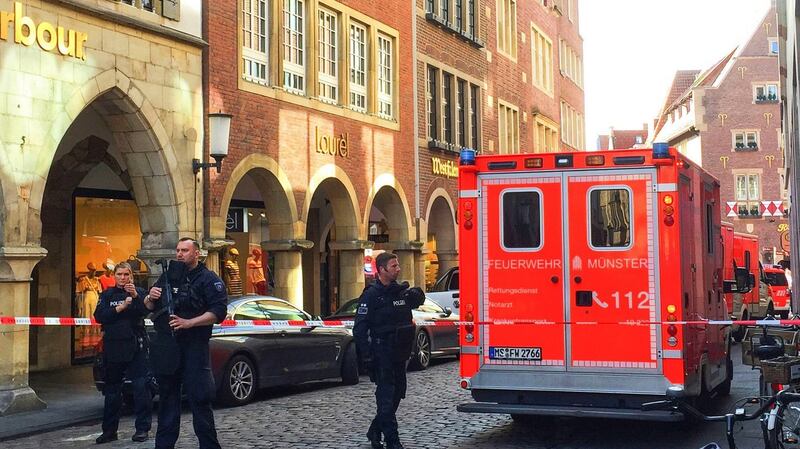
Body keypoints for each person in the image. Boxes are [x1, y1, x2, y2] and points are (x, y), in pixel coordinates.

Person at [143, 238, 227, 449]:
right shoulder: (168, 276)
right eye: (178, 250)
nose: (179, 254)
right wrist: (150, 297)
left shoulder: (208, 279)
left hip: (194, 347)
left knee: (200, 400)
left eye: (185, 250)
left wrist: (190, 323)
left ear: (196, 253)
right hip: (169, 347)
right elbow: (149, 306)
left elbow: (218, 312)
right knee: (168, 402)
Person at [353, 252, 425, 449]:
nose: (398, 269)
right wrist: (367, 356)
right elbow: (359, 328)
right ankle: (393, 441)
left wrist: (417, 295)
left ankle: (375, 430)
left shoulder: (399, 292)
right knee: (386, 397)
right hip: (381, 351)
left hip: (399, 352)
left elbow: (416, 301)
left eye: (397, 265)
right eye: (394, 266)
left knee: (398, 393)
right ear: (382, 270)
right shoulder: (371, 295)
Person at [93, 262, 152, 444]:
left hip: (135, 345)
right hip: (114, 347)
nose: (123, 277)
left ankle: (142, 429)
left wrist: (134, 296)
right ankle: (109, 431)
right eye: (119, 274)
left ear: (131, 276)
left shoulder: (139, 293)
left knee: (141, 388)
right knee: (112, 390)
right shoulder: (107, 294)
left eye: (126, 274)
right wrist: (120, 308)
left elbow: (146, 310)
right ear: (115, 275)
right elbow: (99, 316)